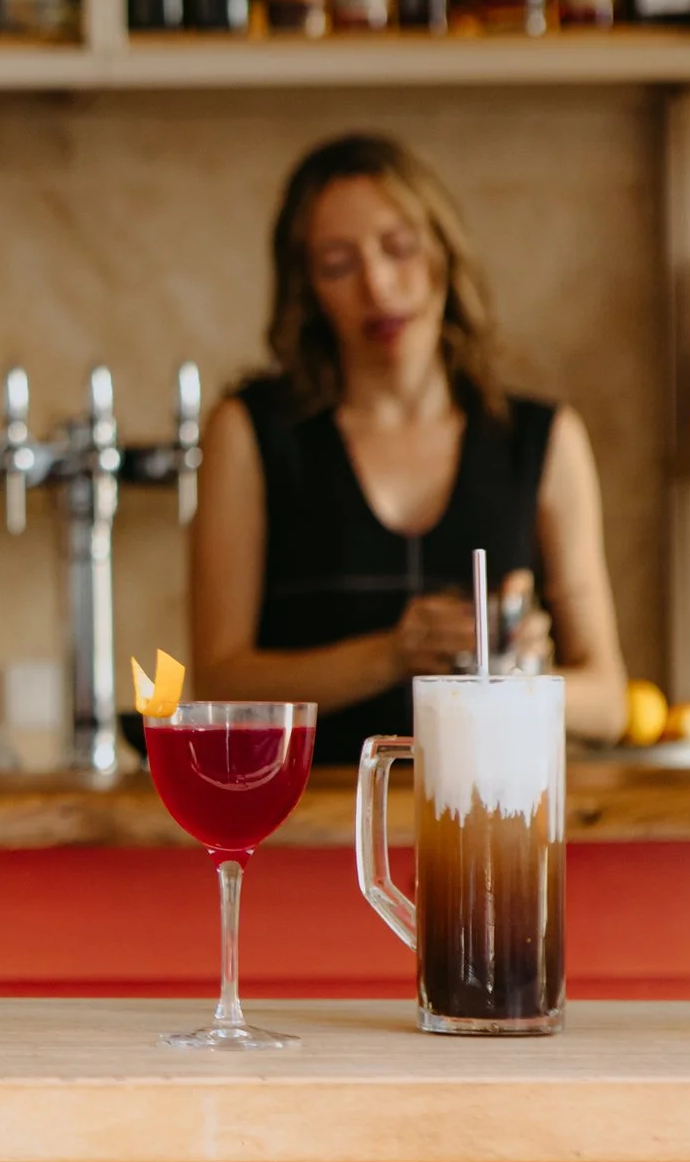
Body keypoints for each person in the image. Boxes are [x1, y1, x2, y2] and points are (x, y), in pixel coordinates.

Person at [190, 133, 628, 764]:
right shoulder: (250, 432)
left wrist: (515, 679)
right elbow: (218, 683)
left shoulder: (544, 439)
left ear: (444, 255)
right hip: (312, 825)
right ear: (307, 290)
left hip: (486, 820)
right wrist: (391, 656)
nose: (378, 284)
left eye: (399, 248)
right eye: (338, 265)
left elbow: (609, 703)